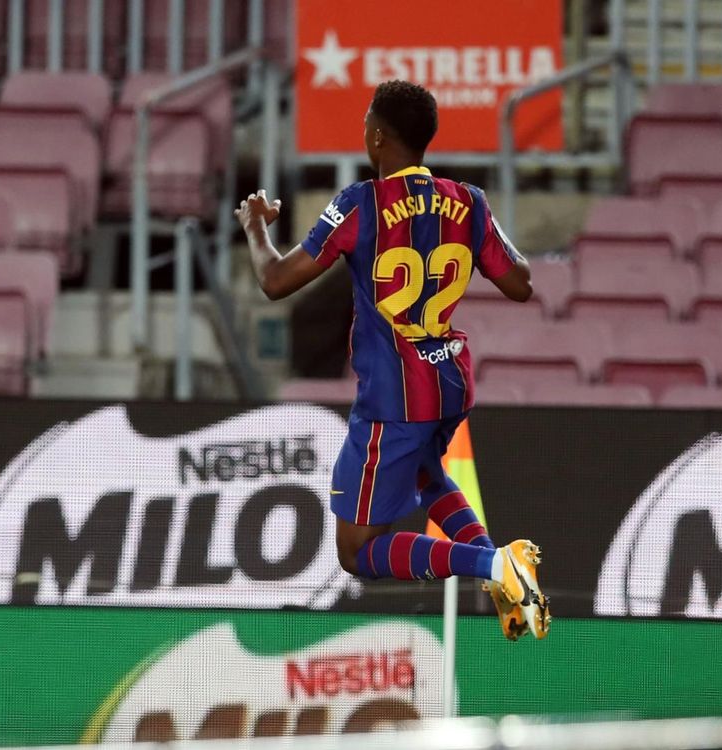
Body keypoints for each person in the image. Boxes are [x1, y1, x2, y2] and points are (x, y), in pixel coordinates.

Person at [234, 80, 549, 640]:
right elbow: (521, 283)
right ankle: (506, 578)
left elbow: (276, 280)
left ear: (378, 138)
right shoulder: (469, 202)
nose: (363, 131)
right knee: (427, 475)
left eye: (365, 123)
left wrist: (256, 227)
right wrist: (486, 225)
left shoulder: (360, 204)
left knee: (356, 551)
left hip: (393, 399)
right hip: (449, 381)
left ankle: (495, 565)